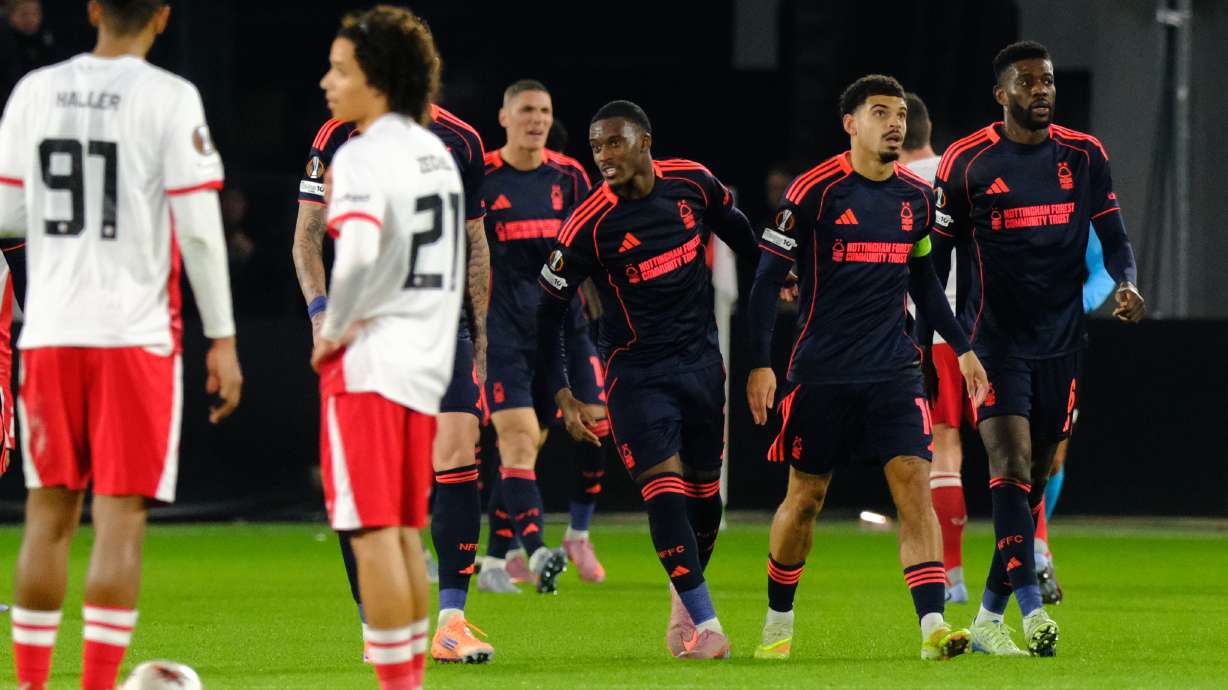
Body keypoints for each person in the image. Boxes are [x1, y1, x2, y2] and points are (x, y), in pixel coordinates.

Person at [0, 1, 243, 688]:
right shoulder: (170, 97)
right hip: (134, 339)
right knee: (118, 521)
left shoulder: (34, 91)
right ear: (163, 17)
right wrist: (222, 337)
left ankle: (30, 686)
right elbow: (198, 230)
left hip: (49, 333)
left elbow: (8, 214)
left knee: (47, 516)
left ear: (92, 9)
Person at [746, 75, 987, 662]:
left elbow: (925, 282)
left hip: (893, 371)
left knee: (914, 489)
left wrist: (962, 346)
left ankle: (933, 625)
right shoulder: (813, 193)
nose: (895, 123)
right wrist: (759, 365)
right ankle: (778, 622)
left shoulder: (915, 197)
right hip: (821, 373)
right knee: (805, 499)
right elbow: (764, 284)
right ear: (850, 123)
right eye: (880, 112)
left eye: (901, 113)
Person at [931, 40, 1144, 657]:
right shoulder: (966, 161)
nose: (1042, 90)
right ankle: (1032, 615)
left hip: (1061, 343)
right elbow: (934, 262)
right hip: (993, 343)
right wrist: (946, 342)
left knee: (1037, 478)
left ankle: (989, 616)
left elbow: (1114, 236)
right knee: (1010, 466)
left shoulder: (1083, 155)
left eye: (1047, 80)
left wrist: (1126, 282)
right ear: (1002, 94)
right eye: (1027, 82)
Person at [291, 26, 494, 667]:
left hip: (374, 350)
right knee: (405, 520)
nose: (327, 83)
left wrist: (331, 329)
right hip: (430, 338)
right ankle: (421, 645)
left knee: (370, 515)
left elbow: (358, 259)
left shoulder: (364, 155)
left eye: (341, 70)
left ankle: (394, 654)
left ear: (378, 78)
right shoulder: (435, 154)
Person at [538, 99, 761, 659]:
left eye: (614, 143)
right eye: (595, 147)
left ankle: (682, 603)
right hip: (635, 374)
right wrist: (562, 391)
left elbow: (747, 241)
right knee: (664, 495)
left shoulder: (693, 184)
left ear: (644, 142)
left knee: (706, 501)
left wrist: (775, 293)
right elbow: (548, 313)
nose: (603, 156)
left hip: (703, 365)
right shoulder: (588, 223)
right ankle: (708, 624)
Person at [476, 78, 608, 592]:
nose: (537, 119)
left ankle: (517, 552)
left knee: (594, 426)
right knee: (517, 440)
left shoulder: (571, 177)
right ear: (504, 117)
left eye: (545, 110)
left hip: (566, 329)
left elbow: (599, 243)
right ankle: (533, 555)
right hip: (504, 333)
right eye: (527, 109)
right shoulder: (481, 177)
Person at [899, 92, 974, 604]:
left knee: (943, 446)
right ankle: (1031, 558)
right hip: (982, 330)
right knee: (1012, 450)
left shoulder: (899, 185)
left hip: (934, 331)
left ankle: (950, 574)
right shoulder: (960, 171)